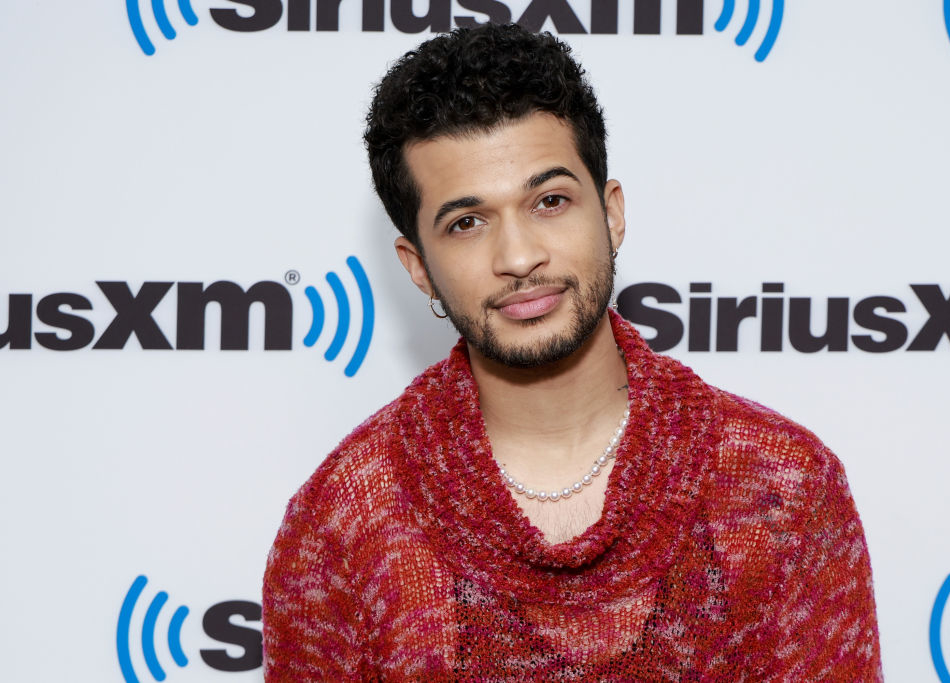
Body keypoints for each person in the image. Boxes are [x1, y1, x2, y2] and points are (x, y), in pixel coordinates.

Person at [262, 23, 883, 681]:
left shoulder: (778, 489)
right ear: (418, 267)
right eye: (466, 223)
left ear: (612, 214)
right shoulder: (341, 523)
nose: (520, 256)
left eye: (550, 201)